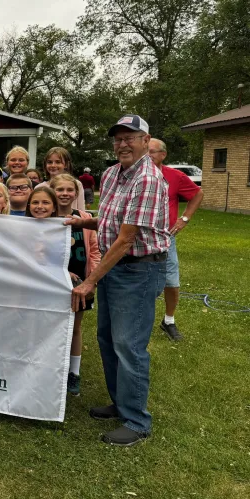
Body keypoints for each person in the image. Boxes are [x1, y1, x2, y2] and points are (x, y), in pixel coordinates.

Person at [69, 114, 169, 446]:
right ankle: (120, 403)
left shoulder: (148, 180)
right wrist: (78, 223)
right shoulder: (112, 174)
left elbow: (126, 238)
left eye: (130, 137)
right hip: (117, 268)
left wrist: (90, 281)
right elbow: (111, 222)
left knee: (129, 344)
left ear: (146, 140)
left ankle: (137, 422)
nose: (123, 144)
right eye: (118, 139)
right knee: (108, 339)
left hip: (138, 270)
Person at [148, 138, 203, 341]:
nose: (148, 155)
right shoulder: (134, 174)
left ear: (163, 154)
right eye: (145, 151)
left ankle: (168, 321)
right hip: (138, 238)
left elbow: (197, 194)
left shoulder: (175, 176)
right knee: (142, 280)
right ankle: (138, 318)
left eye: (152, 152)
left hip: (165, 238)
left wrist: (184, 219)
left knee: (171, 281)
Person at [51, 174, 101, 396]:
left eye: (69, 190)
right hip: (51, 282)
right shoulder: (44, 216)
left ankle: (74, 372)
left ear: (76, 193)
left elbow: (96, 250)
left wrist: (93, 278)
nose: (64, 194)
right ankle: (51, 369)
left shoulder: (85, 218)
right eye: (59, 189)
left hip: (80, 283)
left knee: (75, 328)